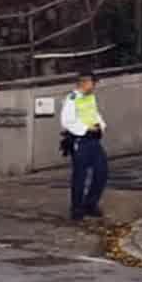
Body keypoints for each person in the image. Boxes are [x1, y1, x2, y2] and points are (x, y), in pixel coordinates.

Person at [62, 72, 107, 221]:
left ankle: (90, 204)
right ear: (85, 82)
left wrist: (101, 126)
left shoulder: (90, 97)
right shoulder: (71, 99)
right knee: (80, 175)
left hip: (93, 140)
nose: (94, 86)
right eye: (93, 83)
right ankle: (77, 208)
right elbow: (67, 121)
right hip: (80, 141)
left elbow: (94, 113)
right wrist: (87, 129)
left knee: (102, 171)